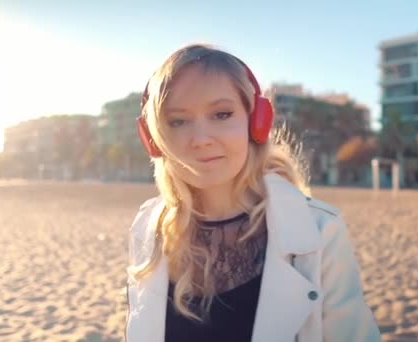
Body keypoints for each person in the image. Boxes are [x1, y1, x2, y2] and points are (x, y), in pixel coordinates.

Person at [125, 43, 381, 342]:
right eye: (178, 121)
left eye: (221, 114)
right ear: (154, 139)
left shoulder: (321, 230)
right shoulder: (147, 226)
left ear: (256, 122)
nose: (201, 139)